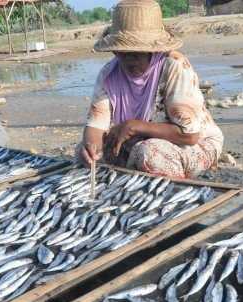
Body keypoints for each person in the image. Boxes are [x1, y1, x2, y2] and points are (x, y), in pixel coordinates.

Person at [76, 0, 224, 179]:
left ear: (152, 50)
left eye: (137, 53)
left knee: (149, 154)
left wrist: (136, 127)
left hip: (197, 144)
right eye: (124, 53)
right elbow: (95, 127)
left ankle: (173, 192)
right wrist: (91, 147)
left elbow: (190, 136)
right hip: (140, 140)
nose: (131, 60)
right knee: (81, 152)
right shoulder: (108, 74)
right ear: (115, 51)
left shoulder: (174, 66)